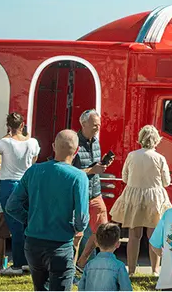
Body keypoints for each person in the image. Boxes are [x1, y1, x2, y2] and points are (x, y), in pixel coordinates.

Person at [4, 130, 89, 292]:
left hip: (33, 242)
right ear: (77, 151)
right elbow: (82, 219)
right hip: (61, 243)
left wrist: (29, 219)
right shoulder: (78, 177)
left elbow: (11, 206)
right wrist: (76, 229)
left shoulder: (34, 171)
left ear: (53, 147)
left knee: (39, 287)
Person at [110, 125, 172, 278]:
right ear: (156, 140)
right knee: (154, 235)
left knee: (134, 235)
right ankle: (155, 270)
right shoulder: (160, 158)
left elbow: (125, 178)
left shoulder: (132, 155)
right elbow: (166, 182)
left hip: (134, 196)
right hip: (154, 198)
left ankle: (131, 270)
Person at [0, 112, 38, 277]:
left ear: (8, 126)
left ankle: (18, 264)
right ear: (22, 125)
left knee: (15, 226)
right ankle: (28, 261)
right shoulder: (33, 142)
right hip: (26, 184)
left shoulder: (4, 142)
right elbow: (34, 160)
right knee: (27, 223)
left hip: (8, 184)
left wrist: (9, 133)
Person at [71, 110, 113, 277]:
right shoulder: (73, 143)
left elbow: (92, 166)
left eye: (99, 124)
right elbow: (68, 172)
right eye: (95, 124)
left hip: (95, 193)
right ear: (84, 124)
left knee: (103, 232)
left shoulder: (96, 141)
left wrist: (100, 166)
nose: (98, 127)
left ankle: (81, 263)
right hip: (78, 195)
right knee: (76, 236)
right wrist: (91, 170)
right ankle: (70, 269)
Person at [80, 223, 134, 291]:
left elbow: (81, 287)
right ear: (117, 244)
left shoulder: (89, 265)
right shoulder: (119, 266)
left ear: (96, 243)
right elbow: (126, 289)